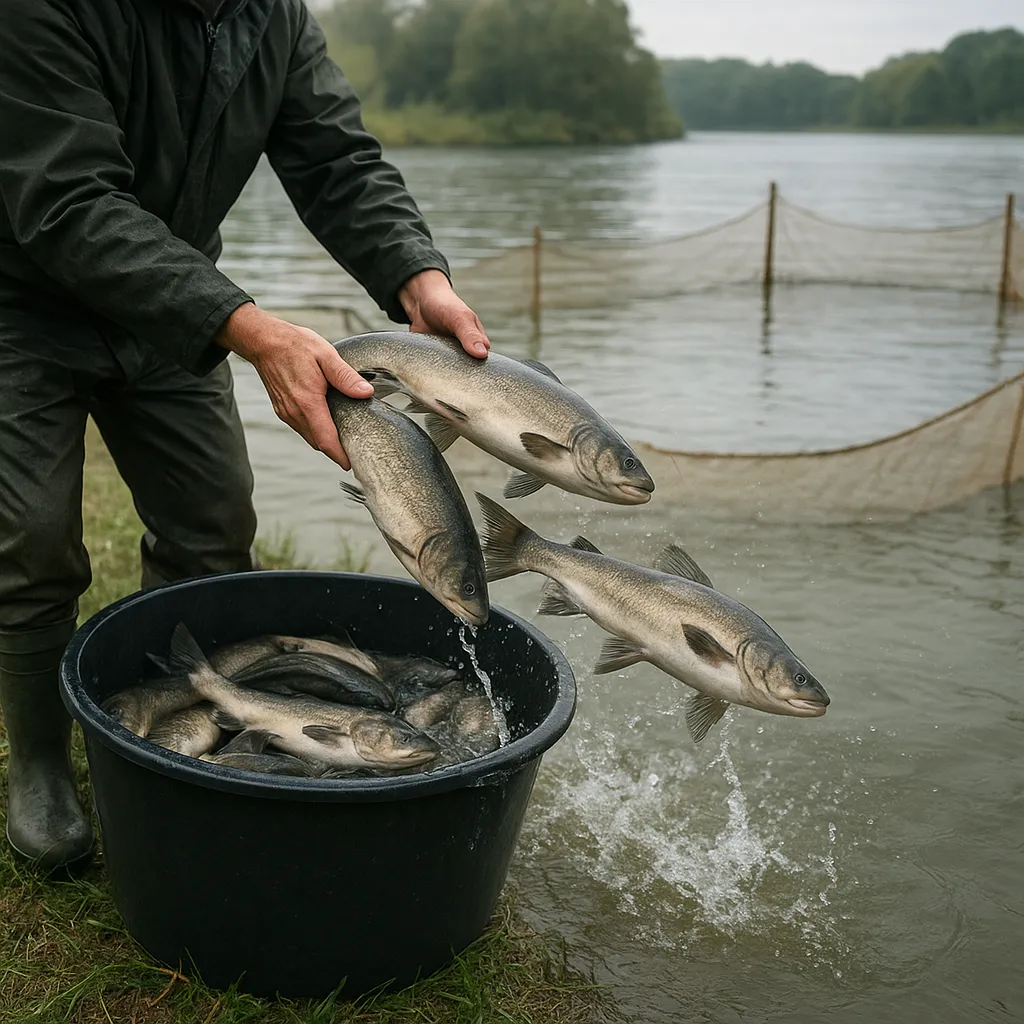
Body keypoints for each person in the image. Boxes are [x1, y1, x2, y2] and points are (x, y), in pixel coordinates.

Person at [0, 0, 490, 872]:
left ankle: (168, 715)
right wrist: (252, 329)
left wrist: (415, 274)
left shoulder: (275, 17)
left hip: (170, 307)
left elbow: (336, 160)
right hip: (22, 302)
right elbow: (67, 202)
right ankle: (39, 763)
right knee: (33, 543)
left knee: (213, 527)